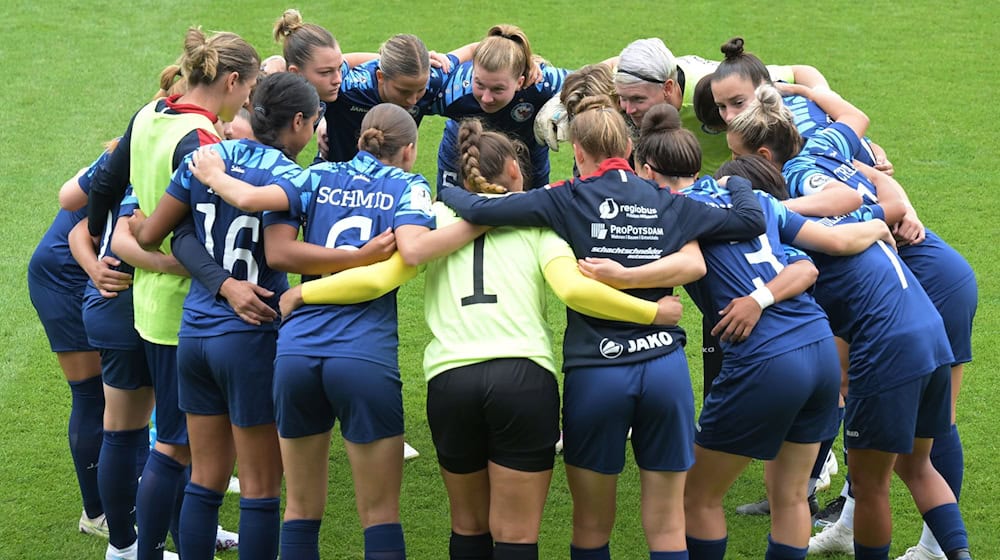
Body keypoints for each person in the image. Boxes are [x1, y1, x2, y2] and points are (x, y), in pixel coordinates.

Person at [277, 117, 687, 560]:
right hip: (523, 380)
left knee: (467, 526)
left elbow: (379, 279)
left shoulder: (433, 218)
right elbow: (574, 289)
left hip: (452, 380)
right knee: (516, 534)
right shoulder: (539, 220)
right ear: (514, 168)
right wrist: (653, 312)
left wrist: (304, 291)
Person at [439, 95, 768, 559]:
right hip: (665, 372)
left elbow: (481, 209)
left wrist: (446, 191)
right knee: (669, 523)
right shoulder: (668, 202)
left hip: (597, 373)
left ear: (577, 152)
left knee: (592, 525)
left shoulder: (565, 198)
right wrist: (734, 179)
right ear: (631, 150)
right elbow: (750, 220)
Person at [580, 105, 893, 560]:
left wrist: (620, 274)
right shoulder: (755, 200)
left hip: (765, 360)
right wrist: (881, 220)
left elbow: (691, 264)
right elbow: (806, 265)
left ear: (648, 170)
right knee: (789, 494)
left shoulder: (671, 213)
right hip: (819, 349)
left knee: (697, 496)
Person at [189, 102, 485, 559]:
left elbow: (265, 222)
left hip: (295, 355)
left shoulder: (315, 176)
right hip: (362, 356)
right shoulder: (409, 185)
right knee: (380, 515)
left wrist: (214, 175)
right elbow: (414, 247)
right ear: (409, 150)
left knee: (301, 511)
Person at [727, 84, 973, 560]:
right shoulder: (823, 146)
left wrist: (771, 215)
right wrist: (881, 203)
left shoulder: (800, 204)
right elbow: (880, 195)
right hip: (923, 316)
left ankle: (922, 548)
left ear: (763, 157)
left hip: (900, 324)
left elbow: (829, 233)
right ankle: (948, 552)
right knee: (916, 462)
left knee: (872, 479)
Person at [127, 72, 324, 560]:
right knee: (260, 488)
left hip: (193, 335)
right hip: (253, 336)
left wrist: (135, 221)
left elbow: (157, 235)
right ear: (297, 122)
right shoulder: (295, 178)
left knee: (205, 481)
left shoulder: (204, 157)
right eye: (316, 121)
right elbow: (289, 254)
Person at [85, 27, 260, 560]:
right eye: (248, 89)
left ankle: (139, 546)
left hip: (146, 306)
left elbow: (105, 186)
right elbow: (197, 236)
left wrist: (104, 246)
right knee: (177, 448)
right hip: (185, 311)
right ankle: (164, 551)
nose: (249, 100)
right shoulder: (203, 142)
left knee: (152, 438)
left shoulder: (149, 113)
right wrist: (224, 283)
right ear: (231, 81)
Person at [28, 160, 112, 543]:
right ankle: (96, 512)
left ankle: (125, 482)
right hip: (64, 274)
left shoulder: (151, 129)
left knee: (121, 389)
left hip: (82, 267)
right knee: (92, 394)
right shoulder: (154, 137)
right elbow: (71, 204)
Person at [706, 37, 889, 172]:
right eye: (721, 106)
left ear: (765, 89)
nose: (729, 116)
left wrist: (878, 163)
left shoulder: (794, 137)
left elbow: (855, 157)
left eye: (738, 102)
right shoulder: (778, 111)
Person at [432, 24, 570, 191]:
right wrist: (425, 61)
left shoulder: (541, 84)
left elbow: (592, 78)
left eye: (498, 89)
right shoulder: (452, 89)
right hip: (463, 150)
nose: (486, 98)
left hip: (528, 156)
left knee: (532, 213)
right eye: (479, 84)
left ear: (520, 82)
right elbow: (400, 81)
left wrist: (564, 104)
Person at [320, 33, 476, 162]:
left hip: (392, 183)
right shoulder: (351, 87)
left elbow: (473, 49)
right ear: (380, 76)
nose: (413, 100)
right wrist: (323, 116)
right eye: (404, 92)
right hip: (338, 179)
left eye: (420, 90)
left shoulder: (433, 80)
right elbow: (324, 66)